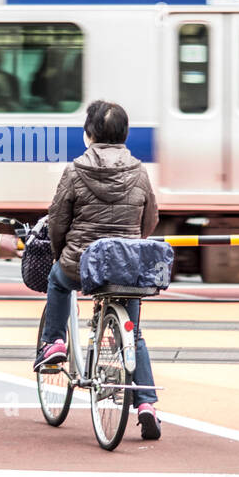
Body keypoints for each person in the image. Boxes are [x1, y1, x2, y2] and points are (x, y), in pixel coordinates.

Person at [36, 99, 163, 440]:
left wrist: (60, 253)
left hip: (81, 263)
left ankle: (54, 344)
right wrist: (133, 243)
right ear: (124, 135)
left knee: (57, 282)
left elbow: (58, 221)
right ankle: (147, 404)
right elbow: (149, 219)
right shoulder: (139, 170)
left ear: (89, 134)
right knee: (133, 334)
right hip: (127, 265)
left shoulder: (75, 170)